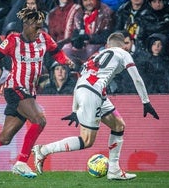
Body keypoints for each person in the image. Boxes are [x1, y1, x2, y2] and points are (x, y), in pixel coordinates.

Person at [0, 8, 74, 178]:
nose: (39, 31)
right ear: (26, 25)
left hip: (29, 92)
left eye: (41, 27)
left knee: (5, 138)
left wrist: (66, 61)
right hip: (14, 89)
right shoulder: (13, 40)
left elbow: (57, 52)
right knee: (40, 120)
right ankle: (21, 162)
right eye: (36, 27)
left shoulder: (44, 38)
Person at [32, 32, 159, 180]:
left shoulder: (95, 57)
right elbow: (137, 79)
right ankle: (43, 150)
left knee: (118, 126)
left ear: (107, 45)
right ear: (124, 45)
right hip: (93, 92)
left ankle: (114, 170)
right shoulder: (123, 53)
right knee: (86, 141)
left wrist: (75, 109)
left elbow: (81, 80)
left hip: (88, 91)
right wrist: (146, 101)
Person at [61, 0, 114, 69]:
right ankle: (75, 70)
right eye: (85, 0)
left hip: (99, 46)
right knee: (66, 49)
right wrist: (76, 41)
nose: (88, 3)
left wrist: (89, 37)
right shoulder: (79, 12)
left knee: (90, 48)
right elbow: (76, 32)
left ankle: (90, 71)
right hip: (83, 46)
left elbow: (106, 36)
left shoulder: (106, 12)